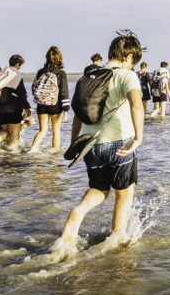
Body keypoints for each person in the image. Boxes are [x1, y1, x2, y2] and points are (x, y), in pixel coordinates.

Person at [54, 32, 145, 259]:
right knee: (124, 193)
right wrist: (138, 138)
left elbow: (78, 114)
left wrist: (75, 141)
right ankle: (118, 236)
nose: (133, 66)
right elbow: (136, 104)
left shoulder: (90, 76)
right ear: (128, 57)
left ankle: (79, 211)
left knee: (100, 189)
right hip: (119, 143)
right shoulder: (127, 76)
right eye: (134, 61)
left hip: (90, 145)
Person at [29, 46, 70, 153]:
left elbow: (34, 88)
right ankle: (55, 155)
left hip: (41, 105)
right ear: (59, 58)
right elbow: (64, 92)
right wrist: (66, 109)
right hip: (55, 105)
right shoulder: (61, 73)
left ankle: (32, 149)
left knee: (42, 130)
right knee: (55, 131)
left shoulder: (40, 72)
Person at [0, 54, 31, 151]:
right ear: (18, 64)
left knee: (5, 130)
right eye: (20, 65)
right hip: (12, 108)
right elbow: (22, 93)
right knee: (13, 135)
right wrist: (26, 107)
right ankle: (12, 157)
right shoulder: (16, 74)